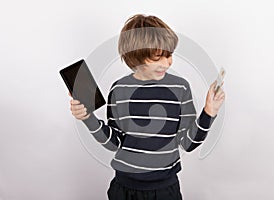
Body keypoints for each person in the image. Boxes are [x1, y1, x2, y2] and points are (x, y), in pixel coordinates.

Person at [68, 14, 225, 200]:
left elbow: (187, 143)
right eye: (159, 57)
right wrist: (88, 118)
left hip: (165, 190)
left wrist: (209, 113)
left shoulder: (180, 88)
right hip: (124, 189)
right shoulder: (119, 90)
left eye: (170, 55)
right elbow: (114, 142)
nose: (167, 63)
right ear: (137, 57)